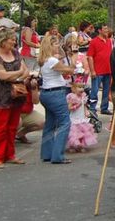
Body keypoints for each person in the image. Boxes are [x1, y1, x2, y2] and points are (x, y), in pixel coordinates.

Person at [0, 28, 29, 168]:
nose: (14, 41)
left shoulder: (16, 53)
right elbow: (2, 76)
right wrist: (18, 73)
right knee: (0, 128)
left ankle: (10, 155)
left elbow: (26, 72)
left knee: (12, 127)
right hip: (1, 96)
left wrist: (14, 75)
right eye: (11, 39)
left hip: (17, 95)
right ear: (3, 40)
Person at [38, 34, 75, 164]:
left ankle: (47, 153)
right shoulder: (52, 61)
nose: (57, 46)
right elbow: (69, 70)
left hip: (45, 93)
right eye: (55, 44)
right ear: (50, 46)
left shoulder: (44, 60)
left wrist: (63, 52)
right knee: (65, 123)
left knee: (50, 124)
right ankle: (58, 155)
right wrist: (73, 58)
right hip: (56, 93)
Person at [87, 24, 113, 115]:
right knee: (95, 90)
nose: (107, 30)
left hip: (108, 70)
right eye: (105, 29)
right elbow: (90, 56)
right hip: (98, 71)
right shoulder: (94, 41)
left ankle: (104, 108)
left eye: (107, 29)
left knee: (106, 90)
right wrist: (92, 70)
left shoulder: (109, 41)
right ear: (99, 30)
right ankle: (92, 108)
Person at [66, 83, 97, 152]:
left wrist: (86, 112)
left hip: (81, 117)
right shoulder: (72, 97)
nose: (81, 89)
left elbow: (85, 105)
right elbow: (69, 108)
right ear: (73, 89)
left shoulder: (83, 96)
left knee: (82, 131)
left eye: (82, 87)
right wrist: (76, 106)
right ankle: (72, 146)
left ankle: (81, 145)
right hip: (74, 118)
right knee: (74, 133)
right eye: (79, 87)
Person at [16, 75, 44, 144]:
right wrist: (23, 84)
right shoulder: (17, 84)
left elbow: (36, 102)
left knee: (43, 122)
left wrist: (34, 88)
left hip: (27, 114)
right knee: (17, 122)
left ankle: (20, 134)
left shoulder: (31, 87)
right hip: (15, 113)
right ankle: (7, 137)